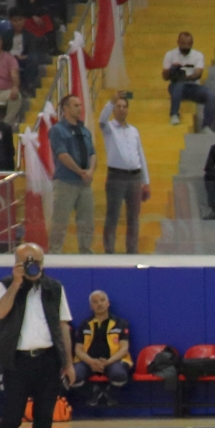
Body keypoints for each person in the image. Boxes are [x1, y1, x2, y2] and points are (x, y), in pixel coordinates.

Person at [0, 245, 73, 428]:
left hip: (48, 360)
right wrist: (17, 283)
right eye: (27, 261)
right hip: (18, 361)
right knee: (12, 417)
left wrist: (68, 362)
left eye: (38, 261)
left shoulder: (54, 288)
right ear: (17, 263)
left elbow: (63, 326)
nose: (34, 265)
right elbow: (0, 313)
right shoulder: (5, 284)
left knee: (44, 417)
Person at [98, 95, 149, 253]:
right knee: (112, 215)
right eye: (118, 106)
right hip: (116, 176)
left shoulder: (134, 131)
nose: (121, 109)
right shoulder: (109, 128)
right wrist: (110, 101)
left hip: (135, 176)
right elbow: (101, 120)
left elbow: (140, 155)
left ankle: (132, 251)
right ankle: (109, 250)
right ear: (114, 109)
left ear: (127, 109)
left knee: (133, 217)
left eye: (124, 106)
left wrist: (146, 181)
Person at [47, 94, 95, 253]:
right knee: (60, 220)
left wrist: (90, 171)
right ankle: (55, 251)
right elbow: (62, 154)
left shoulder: (84, 130)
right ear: (65, 109)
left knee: (86, 221)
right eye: (75, 105)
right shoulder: (57, 130)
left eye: (80, 105)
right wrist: (80, 171)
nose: (80, 108)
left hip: (84, 183)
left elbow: (93, 153)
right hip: (66, 181)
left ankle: (86, 250)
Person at [70, 289, 130, 407]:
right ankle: (95, 392)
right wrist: (92, 362)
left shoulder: (121, 323)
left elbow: (124, 348)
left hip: (113, 361)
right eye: (95, 302)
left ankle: (107, 393)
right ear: (91, 306)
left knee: (119, 376)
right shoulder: (84, 324)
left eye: (102, 300)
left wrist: (107, 362)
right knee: (73, 377)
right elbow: (78, 349)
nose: (100, 304)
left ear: (108, 303)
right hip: (88, 362)